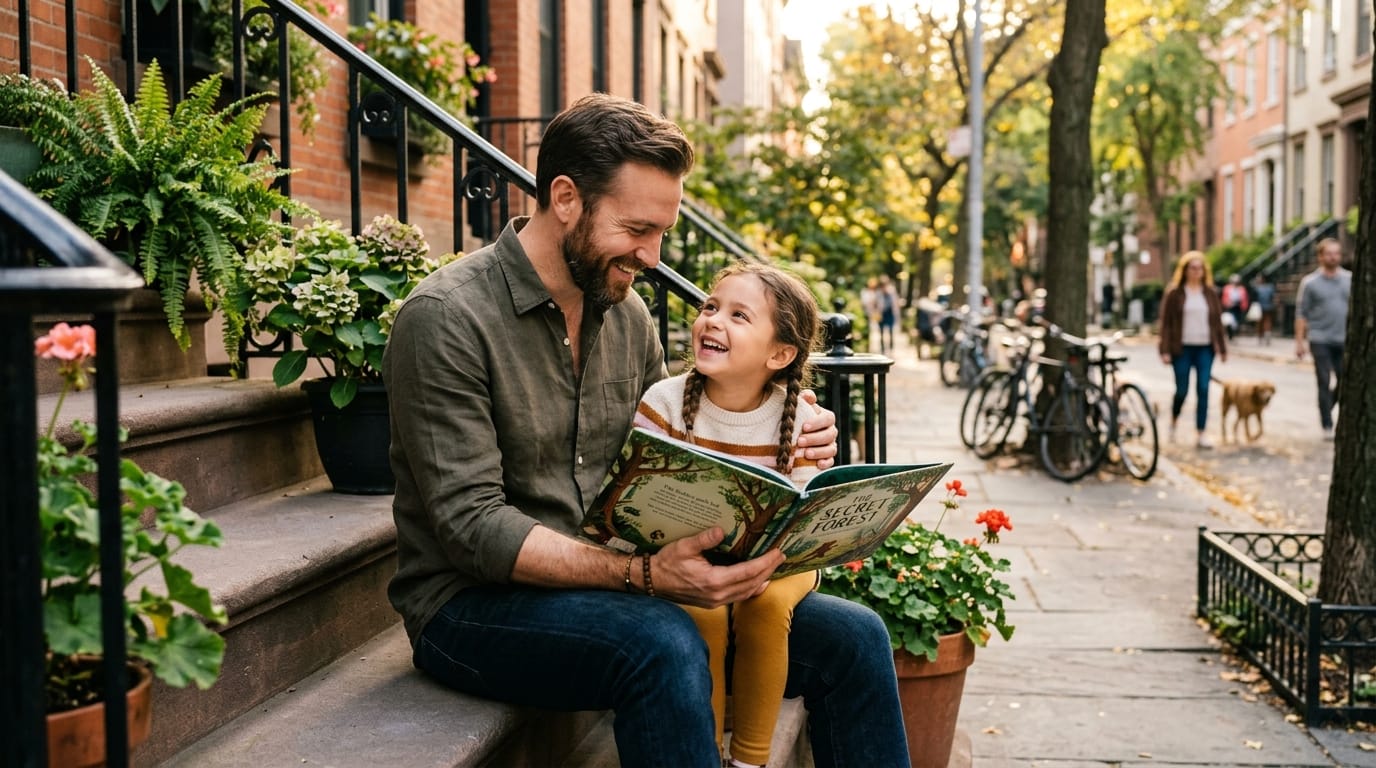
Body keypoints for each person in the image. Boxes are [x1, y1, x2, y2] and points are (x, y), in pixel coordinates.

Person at [382, 93, 910, 767]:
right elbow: (472, 529)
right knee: (662, 639)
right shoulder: (446, 318)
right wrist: (644, 575)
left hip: (613, 582)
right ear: (566, 198)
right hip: (474, 607)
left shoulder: (624, 315)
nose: (654, 258)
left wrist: (791, 426)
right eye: (638, 229)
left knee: (856, 637)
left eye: (662, 232)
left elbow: (673, 453)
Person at [634, 261, 823, 768]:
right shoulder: (665, 403)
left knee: (764, 604)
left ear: (779, 354)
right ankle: (705, 750)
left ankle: (750, 759)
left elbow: (802, 511)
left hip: (778, 561)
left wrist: (763, 562)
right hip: (687, 550)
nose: (713, 320)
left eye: (740, 316)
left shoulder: (800, 418)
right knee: (703, 613)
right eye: (710, 307)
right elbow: (642, 494)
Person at [1158, 251, 1228, 448]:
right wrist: (1164, 349)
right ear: (1185, 270)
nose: (1197, 271)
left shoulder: (1210, 293)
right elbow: (1166, 323)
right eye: (1193, 268)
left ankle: (1201, 433)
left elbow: (1217, 322)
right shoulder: (1175, 293)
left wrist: (1222, 348)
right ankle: (1173, 421)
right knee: (1182, 390)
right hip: (1182, 348)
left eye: (1200, 268)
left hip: (1206, 348)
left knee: (1204, 389)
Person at [1294, 237, 1351, 440]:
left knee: (1345, 380)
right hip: (1320, 338)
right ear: (1320, 256)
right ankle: (1327, 423)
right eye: (1329, 253)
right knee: (1324, 380)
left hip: (1344, 338)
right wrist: (1299, 342)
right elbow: (1302, 313)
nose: (1333, 257)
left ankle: (1327, 405)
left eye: (1336, 253)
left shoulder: (1350, 279)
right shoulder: (1310, 283)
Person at [1220, 273, 1249, 340]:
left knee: (1237, 321)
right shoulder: (1227, 288)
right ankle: (1231, 335)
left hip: (1238, 307)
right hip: (1229, 307)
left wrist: (1244, 306)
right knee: (1229, 321)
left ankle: (1234, 333)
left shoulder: (1242, 289)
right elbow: (1224, 297)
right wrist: (1226, 303)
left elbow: (1244, 298)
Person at [877, 275, 900, 353]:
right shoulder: (879, 292)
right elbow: (877, 303)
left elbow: (895, 303)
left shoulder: (892, 291)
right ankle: (883, 347)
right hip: (882, 313)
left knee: (891, 330)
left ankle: (891, 347)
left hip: (889, 313)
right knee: (881, 331)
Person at [1252, 272, 1276, 345]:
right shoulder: (1270, 287)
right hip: (1266, 306)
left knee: (1262, 322)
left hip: (1263, 306)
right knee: (1265, 321)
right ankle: (1265, 336)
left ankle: (1263, 336)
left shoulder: (1258, 288)